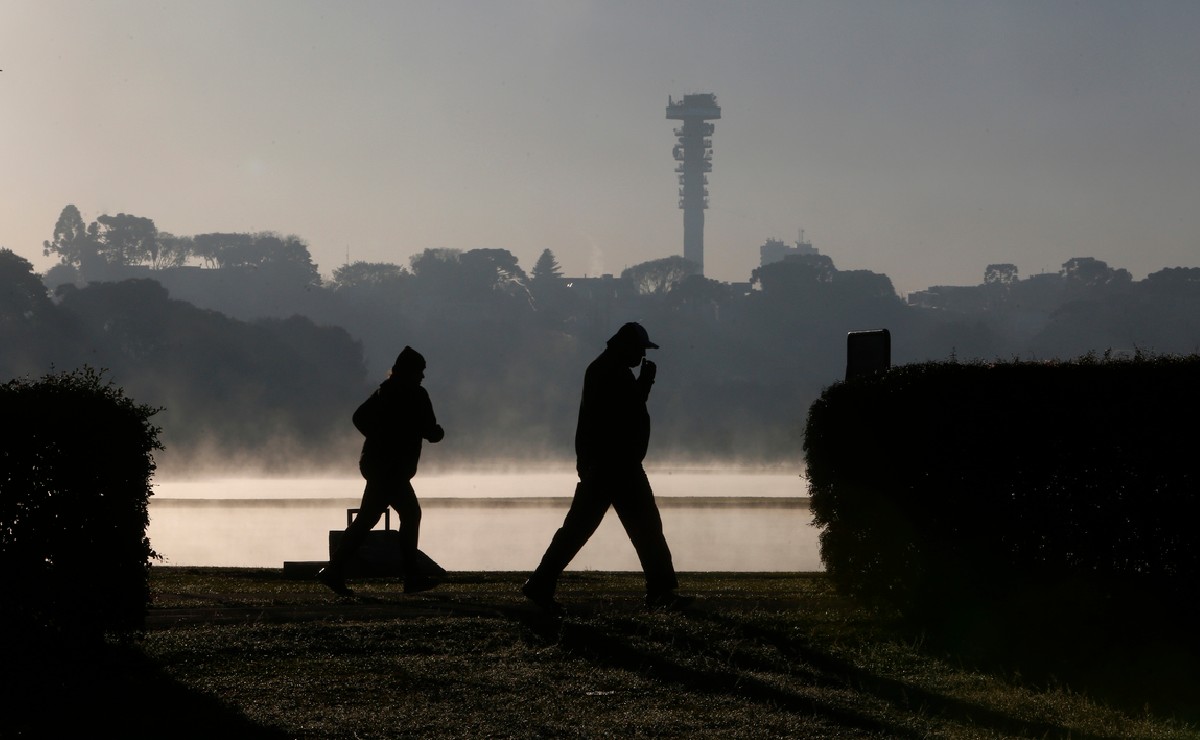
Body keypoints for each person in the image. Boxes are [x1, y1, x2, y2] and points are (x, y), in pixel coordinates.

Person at [522, 322, 693, 614]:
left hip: (606, 464)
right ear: (626, 347)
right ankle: (660, 592)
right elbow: (625, 411)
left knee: (579, 530)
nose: (641, 356)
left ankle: (541, 583)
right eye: (639, 350)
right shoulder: (611, 372)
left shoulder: (604, 369)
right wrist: (646, 382)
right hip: (617, 465)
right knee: (645, 529)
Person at [318, 346, 445, 596]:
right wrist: (436, 433)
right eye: (420, 371)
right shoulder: (416, 395)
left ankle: (333, 571)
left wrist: (377, 438)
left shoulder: (384, 392)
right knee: (409, 514)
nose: (422, 376)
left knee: (368, 519)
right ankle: (410, 576)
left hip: (376, 464)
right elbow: (431, 431)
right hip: (392, 469)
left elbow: (359, 418)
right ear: (411, 372)